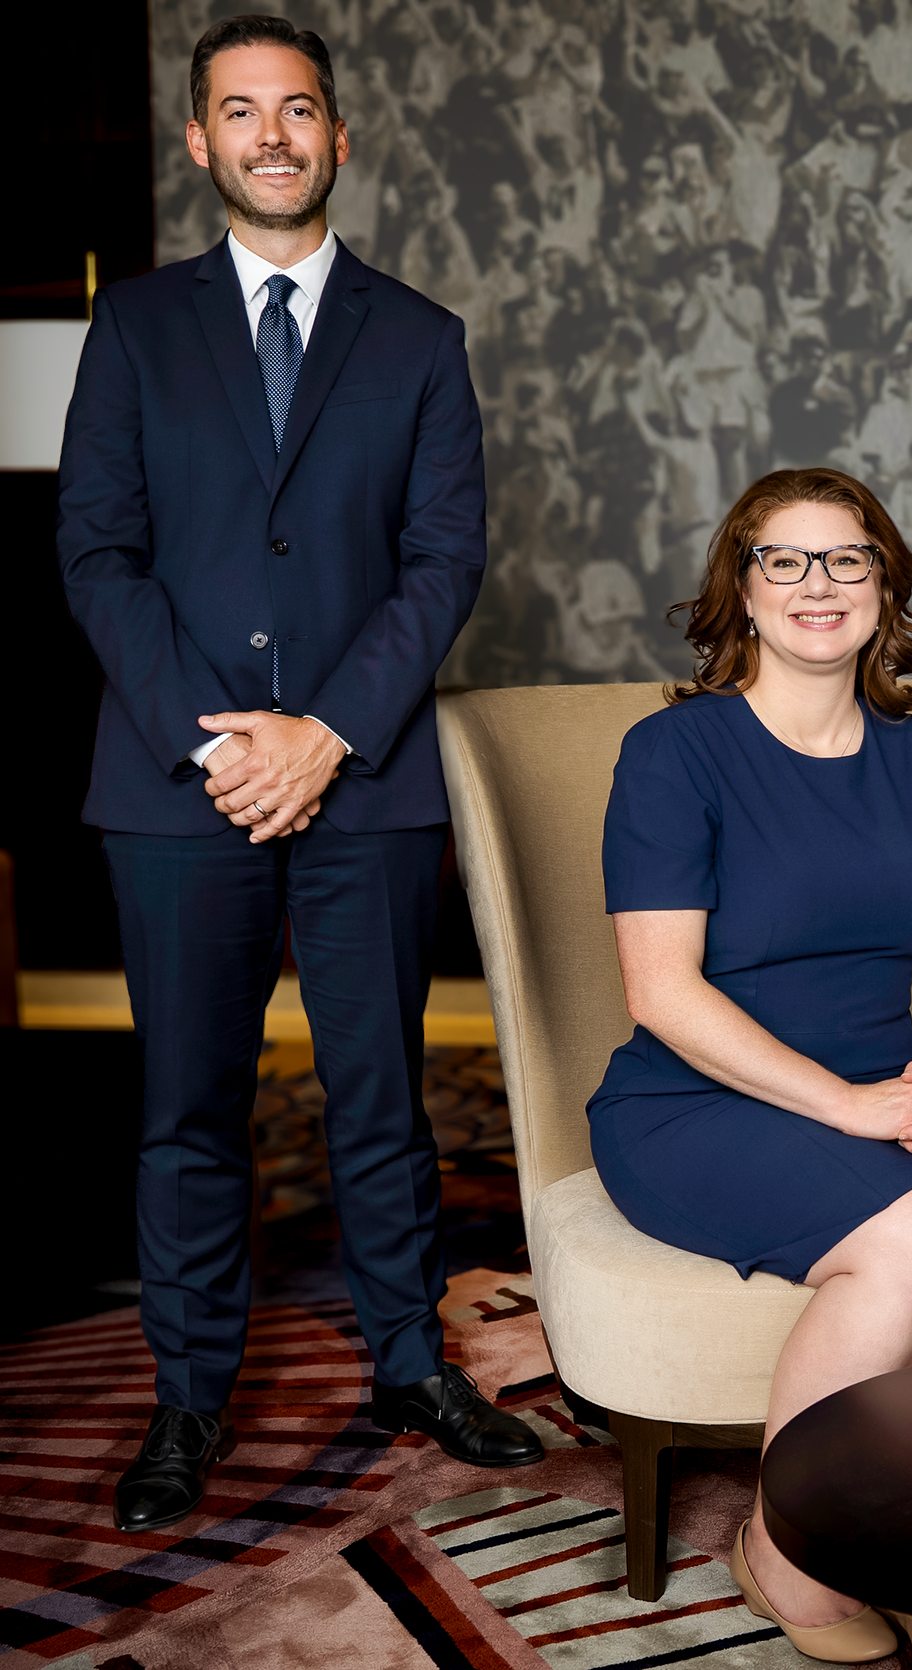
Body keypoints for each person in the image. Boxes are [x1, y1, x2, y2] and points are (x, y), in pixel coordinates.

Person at [58, 14, 541, 1536]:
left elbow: (443, 556)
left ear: (340, 135)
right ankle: (189, 1394)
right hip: (174, 787)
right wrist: (223, 737)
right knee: (190, 1106)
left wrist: (325, 734)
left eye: (301, 109)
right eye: (240, 112)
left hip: (367, 784)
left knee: (381, 1093)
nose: (274, 134)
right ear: (200, 141)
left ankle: (407, 1361)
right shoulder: (134, 328)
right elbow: (98, 548)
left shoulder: (420, 336)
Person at [593, 468, 912, 1667]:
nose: (820, 585)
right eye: (786, 560)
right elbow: (662, 990)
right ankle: (794, 1549)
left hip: (878, 1083)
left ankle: (906, 1537)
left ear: (886, 589)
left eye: (848, 559)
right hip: (695, 1101)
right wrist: (847, 1105)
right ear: (741, 591)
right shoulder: (674, 752)